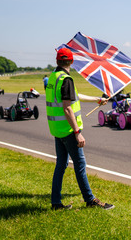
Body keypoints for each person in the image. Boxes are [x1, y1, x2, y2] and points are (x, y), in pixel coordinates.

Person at [46, 47, 114, 210]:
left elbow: (74, 96)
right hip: (68, 130)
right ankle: (90, 200)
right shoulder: (66, 79)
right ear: (71, 61)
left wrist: (97, 99)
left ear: (57, 61)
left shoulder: (54, 77)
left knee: (61, 165)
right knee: (80, 164)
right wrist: (77, 133)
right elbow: (67, 108)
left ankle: (56, 203)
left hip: (57, 129)